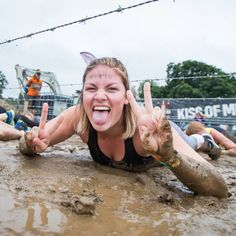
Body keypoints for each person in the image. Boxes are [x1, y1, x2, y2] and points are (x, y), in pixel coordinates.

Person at [19, 57, 229, 198]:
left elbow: (219, 189)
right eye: (91, 88)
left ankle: (205, 139)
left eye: (112, 89)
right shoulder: (78, 119)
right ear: (83, 95)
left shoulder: (149, 129)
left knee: (192, 142)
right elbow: (28, 142)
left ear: (127, 97)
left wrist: (169, 156)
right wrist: (31, 142)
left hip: (170, 134)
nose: (100, 95)